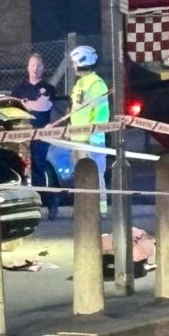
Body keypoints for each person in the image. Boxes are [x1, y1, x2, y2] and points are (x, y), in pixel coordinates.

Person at [13, 53, 61, 220]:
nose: (35, 69)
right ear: (27, 67)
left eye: (38, 66)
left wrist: (50, 125)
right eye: (32, 65)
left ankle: (49, 201)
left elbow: (54, 111)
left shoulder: (48, 89)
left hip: (41, 136)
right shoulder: (19, 90)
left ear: (43, 68)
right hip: (23, 137)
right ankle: (27, 206)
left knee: (40, 167)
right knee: (23, 170)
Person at [69, 45, 110, 215]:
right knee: (81, 175)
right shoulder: (80, 83)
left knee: (96, 175)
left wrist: (95, 137)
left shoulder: (96, 84)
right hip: (78, 138)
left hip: (91, 140)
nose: (72, 66)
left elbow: (101, 113)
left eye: (73, 62)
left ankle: (100, 209)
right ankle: (85, 207)